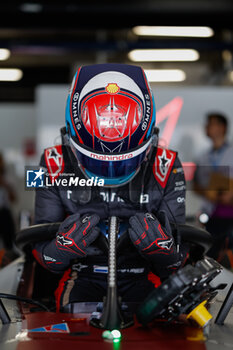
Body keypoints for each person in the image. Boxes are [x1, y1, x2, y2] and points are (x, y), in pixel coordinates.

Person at [32, 64, 188, 310]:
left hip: (145, 278)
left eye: (124, 161)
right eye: (97, 161)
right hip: (80, 277)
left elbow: (179, 259)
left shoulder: (167, 164)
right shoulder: (50, 163)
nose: (111, 172)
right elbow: (39, 249)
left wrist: (164, 252)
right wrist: (60, 250)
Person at [194, 113, 233, 266]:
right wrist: (208, 193)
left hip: (229, 216)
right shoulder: (203, 156)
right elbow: (196, 184)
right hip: (210, 216)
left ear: (222, 127)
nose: (207, 127)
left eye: (211, 123)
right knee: (210, 258)